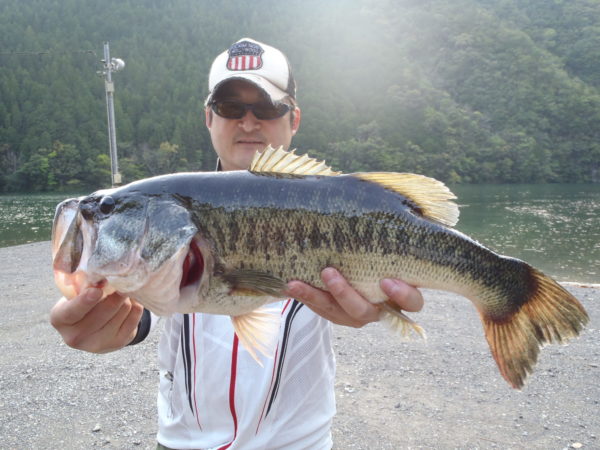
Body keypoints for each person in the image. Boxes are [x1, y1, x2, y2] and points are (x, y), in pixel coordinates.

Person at [50, 38, 424, 449]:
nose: (248, 123)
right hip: (184, 443)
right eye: (230, 107)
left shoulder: (326, 202)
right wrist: (108, 324)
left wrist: (379, 306)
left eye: (267, 107)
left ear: (294, 119)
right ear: (208, 117)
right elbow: (142, 308)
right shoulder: (169, 212)